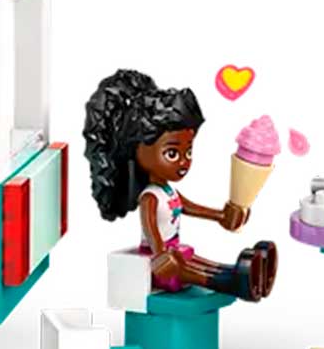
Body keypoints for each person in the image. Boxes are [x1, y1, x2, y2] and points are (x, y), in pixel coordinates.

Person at [83, 69, 277, 301]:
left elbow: (188, 207)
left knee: (195, 260)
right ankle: (232, 282)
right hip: (159, 261)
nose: (184, 162)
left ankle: (237, 273)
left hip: (173, 250)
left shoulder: (168, 191)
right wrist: (159, 254)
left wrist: (220, 215)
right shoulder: (150, 197)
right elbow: (151, 229)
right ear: (138, 151)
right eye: (172, 153)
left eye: (188, 152)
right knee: (185, 269)